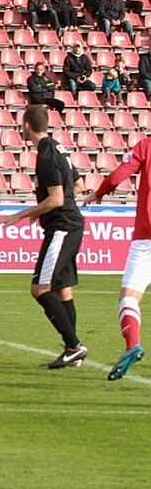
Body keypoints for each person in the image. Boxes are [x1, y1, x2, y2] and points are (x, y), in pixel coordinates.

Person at [0, 106, 87, 369]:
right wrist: (45, 208)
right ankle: (72, 351)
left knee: (40, 289)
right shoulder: (58, 148)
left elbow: (56, 199)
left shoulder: (46, 153)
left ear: (26, 125)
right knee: (62, 289)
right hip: (69, 223)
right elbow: (78, 185)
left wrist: (22, 214)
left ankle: (74, 347)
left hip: (62, 226)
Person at [83, 136, 151, 379]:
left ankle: (133, 345)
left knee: (129, 296)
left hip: (147, 236)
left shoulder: (146, 145)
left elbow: (117, 177)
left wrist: (100, 192)